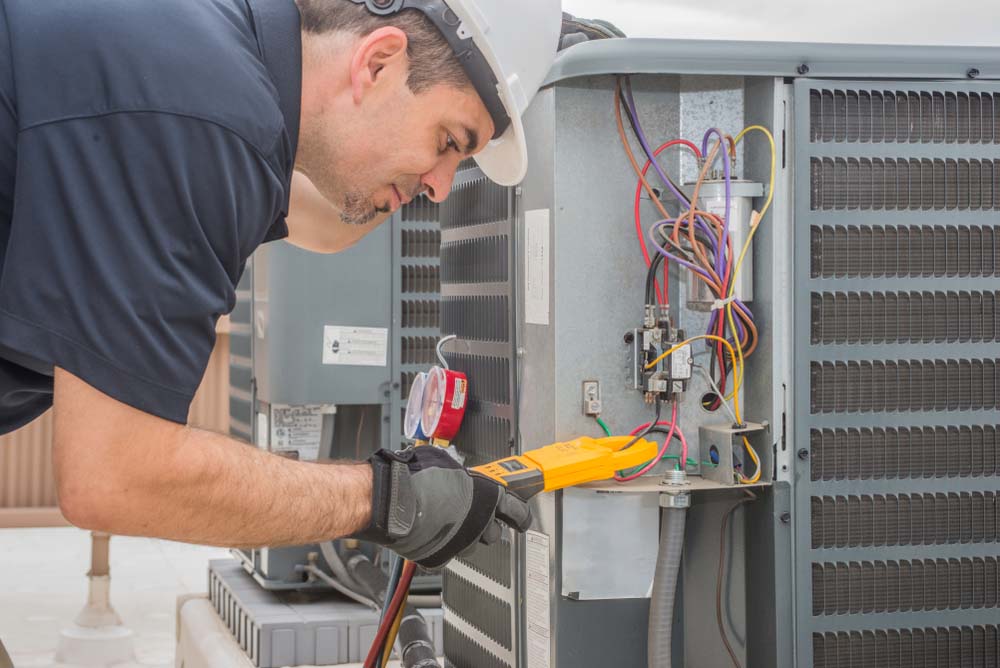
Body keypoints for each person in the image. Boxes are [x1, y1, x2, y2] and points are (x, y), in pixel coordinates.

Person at [0, 0, 560, 591]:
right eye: (448, 141)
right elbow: (115, 473)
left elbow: (321, 222)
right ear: (377, 63)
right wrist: (390, 499)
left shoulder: (211, 59)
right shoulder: (202, 109)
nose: (441, 188)